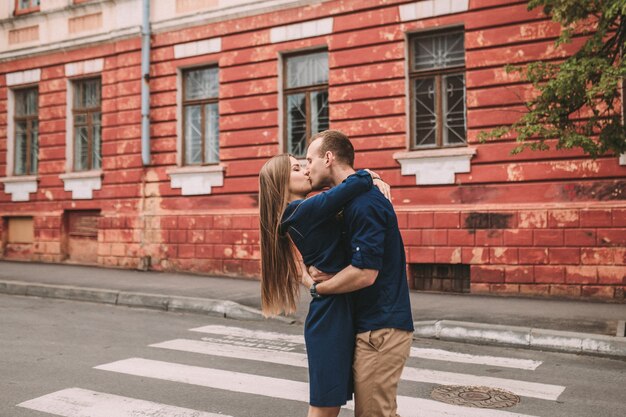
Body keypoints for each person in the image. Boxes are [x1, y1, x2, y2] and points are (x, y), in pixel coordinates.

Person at [258, 153, 390, 417]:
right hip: (330, 317)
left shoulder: (297, 212)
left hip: (334, 308)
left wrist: (311, 279)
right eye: (297, 167)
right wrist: (371, 175)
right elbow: (356, 182)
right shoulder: (305, 209)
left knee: (332, 404)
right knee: (325, 407)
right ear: (282, 181)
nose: (307, 170)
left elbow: (296, 266)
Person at [301, 130, 414, 417]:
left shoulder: (365, 204)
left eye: (309, 160)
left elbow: (365, 273)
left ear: (328, 158)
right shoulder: (351, 199)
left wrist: (319, 288)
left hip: (381, 328)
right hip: (368, 325)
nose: (306, 168)